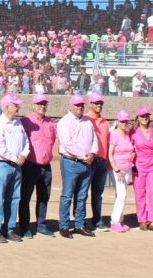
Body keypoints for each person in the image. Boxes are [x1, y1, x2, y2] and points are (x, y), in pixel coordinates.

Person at [0, 93, 29, 243]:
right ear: (6, 107)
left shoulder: (19, 123)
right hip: (2, 165)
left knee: (14, 198)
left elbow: (26, 143)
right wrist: (16, 158)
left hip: (16, 165)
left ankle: (9, 228)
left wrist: (23, 155)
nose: (18, 107)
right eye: (15, 104)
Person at [57, 95, 97, 239]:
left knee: (82, 196)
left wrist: (92, 153)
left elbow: (94, 140)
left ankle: (79, 224)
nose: (80, 107)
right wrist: (85, 155)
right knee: (67, 195)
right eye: (77, 105)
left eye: (81, 105)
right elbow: (67, 143)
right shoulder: (64, 122)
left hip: (86, 163)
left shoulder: (88, 121)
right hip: (71, 162)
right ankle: (64, 225)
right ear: (71, 106)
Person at [18, 93, 57, 238]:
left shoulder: (50, 123)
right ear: (33, 106)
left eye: (44, 104)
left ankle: (41, 225)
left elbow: (52, 141)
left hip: (46, 166)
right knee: (25, 197)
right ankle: (24, 227)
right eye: (39, 104)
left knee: (44, 197)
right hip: (30, 165)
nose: (42, 106)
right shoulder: (26, 121)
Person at [130, 107, 153, 233]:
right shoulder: (133, 132)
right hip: (139, 165)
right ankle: (142, 219)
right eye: (142, 116)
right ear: (138, 118)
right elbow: (129, 148)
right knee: (140, 193)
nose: (144, 118)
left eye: (146, 116)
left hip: (152, 165)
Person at [85, 92, 110, 231]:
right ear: (90, 104)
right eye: (96, 103)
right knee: (83, 192)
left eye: (101, 103)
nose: (99, 105)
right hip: (89, 160)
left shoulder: (105, 122)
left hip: (102, 161)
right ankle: (80, 220)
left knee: (97, 194)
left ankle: (97, 220)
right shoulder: (85, 120)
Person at [107, 110, 133, 232]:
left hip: (127, 168)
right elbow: (110, 154)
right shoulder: (114, 134)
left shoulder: (127, 135)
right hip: (117, 169)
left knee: (120, 194)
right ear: (117, 121)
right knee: (122, 195)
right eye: (122, 121)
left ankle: (120, 219)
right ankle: (115, 221)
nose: (124, 123)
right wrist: (116, 170)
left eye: (126, 121)